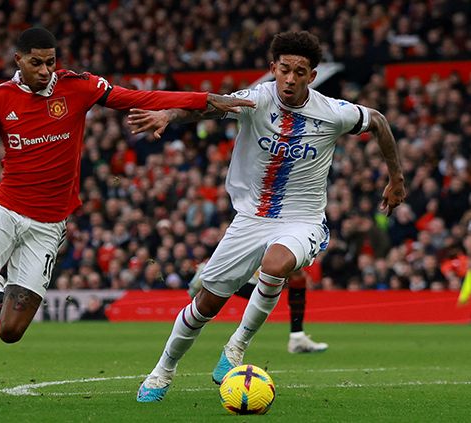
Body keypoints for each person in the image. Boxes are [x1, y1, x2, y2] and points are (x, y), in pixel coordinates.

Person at [0, 27, 253, 411]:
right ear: (18, 60)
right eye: (36, 62)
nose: (46, 69)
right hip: (5, 208)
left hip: (48, 226)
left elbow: (137, 96)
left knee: (10, 332)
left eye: (51, 61)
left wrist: (202, 98)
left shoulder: (78, 87)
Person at [128, 31, 406, 402]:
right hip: (250, 219)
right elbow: (204, 107)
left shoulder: (334, 113)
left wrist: (396, 178)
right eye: (285, 69)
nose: (290, 79)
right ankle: (162, 371)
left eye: (300, 71)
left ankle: (235, 349)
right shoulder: (254, 100)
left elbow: (379, 121)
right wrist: (168, 114)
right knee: (205, 306)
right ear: (272, 68)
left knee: (278, 264)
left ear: (313, 74)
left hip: (303, 219)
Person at [190, 265, 328, 353]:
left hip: (283, 225)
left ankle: (297, 336)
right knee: (271, 283)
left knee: (296, 275)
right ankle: (215, 273)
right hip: (268, 225)